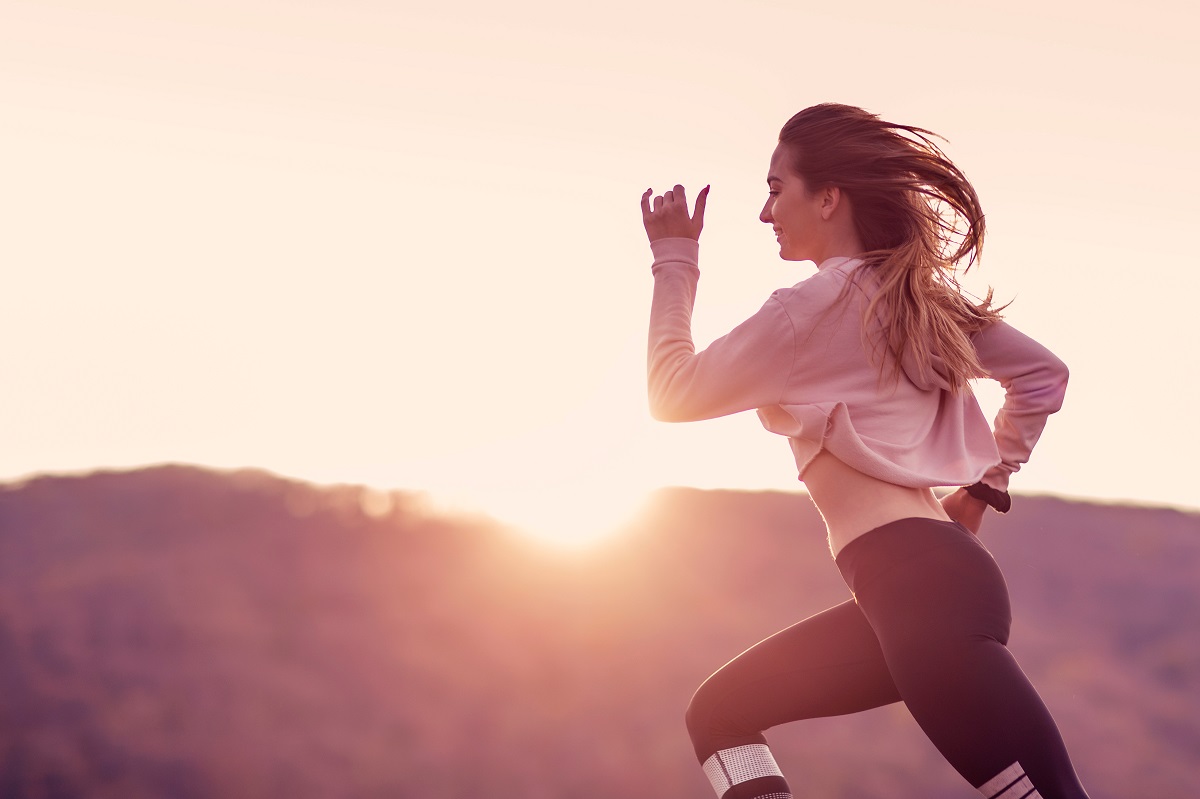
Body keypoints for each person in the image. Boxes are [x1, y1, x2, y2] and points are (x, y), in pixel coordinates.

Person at [639, 103, 1088, 799]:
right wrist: (986, 485)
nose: (764, 212)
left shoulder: (805, 309)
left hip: (918, 594)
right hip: (920, 589)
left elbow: (672, 392)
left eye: (775, 188)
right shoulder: (919, 297)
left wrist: (674, 259)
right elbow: (1042, 376)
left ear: (828, 197)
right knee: (721, 712)